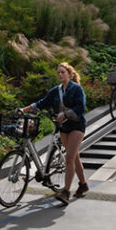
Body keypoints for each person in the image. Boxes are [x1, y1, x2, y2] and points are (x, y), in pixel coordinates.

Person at [20, 62, 87, 206]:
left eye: (63, 72)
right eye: (59, 73)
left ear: (69, 74)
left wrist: (65, 114)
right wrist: (24, 110)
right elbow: (42, 103)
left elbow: (81, 107)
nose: (60, 75)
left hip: (77, 125)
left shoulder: (76, 89)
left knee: (69, 158)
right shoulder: (55, 91)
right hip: (63, 127)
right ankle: (83, 184)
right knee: (74, 157)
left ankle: (66, 192)